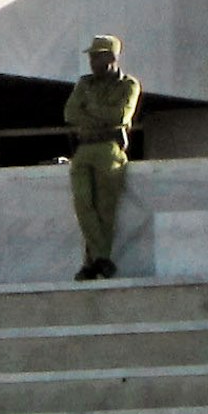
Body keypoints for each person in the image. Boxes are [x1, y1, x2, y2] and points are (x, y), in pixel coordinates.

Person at [66, 34, 141, 280]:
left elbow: (120, 116)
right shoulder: (84, 84)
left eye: (98, 56)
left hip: (109, 148)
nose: (93, 62)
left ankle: (92, 263)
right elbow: (70, 113)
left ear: (112, 57)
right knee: (83, 203)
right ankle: (102, 258)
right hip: (84, 147)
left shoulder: (128, 84)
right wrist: (101, 116)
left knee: (105, 209)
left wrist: (90, 111)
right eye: (92, 57)